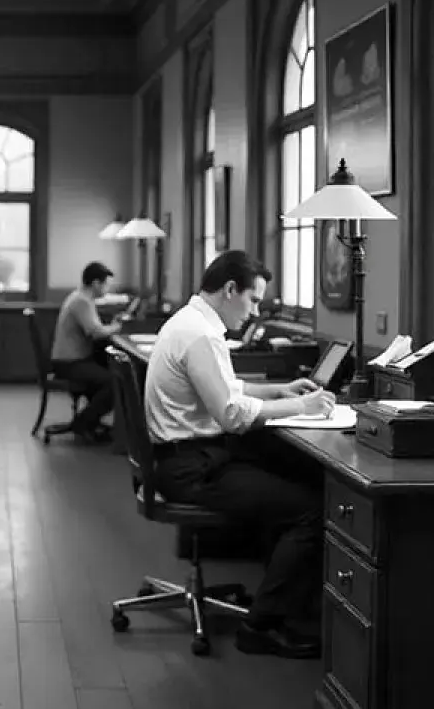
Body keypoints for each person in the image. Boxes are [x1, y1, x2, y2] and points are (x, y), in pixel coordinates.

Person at [144, 250, 334, 659]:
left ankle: (284, 600)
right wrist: (301, 408)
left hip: (185, 458)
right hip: (191, 467)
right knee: (312, 509)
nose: (255, 312)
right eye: (253, 300)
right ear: (230, 290)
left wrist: (277, 393)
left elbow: (224, 388)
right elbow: (230, 414)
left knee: (287, 478)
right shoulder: (201, 334)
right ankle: (261, 625)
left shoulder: (190, 323)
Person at [50, 261, 131, 441]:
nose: (107, 288)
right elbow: (95, 332)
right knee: (113, 382)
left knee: (106, 377)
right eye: (106, 284)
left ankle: (90, 422)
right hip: (70, 363)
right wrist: (117, 327)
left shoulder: (81, 298)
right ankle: (83, 423)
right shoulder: (82, 301)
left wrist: (110, 326)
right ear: (96, 283)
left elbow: (95, 328)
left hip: (70, 360)